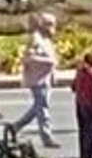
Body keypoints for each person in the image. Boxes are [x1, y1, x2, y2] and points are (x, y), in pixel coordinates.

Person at [8, 12, 59, 148]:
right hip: (38, 79)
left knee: (38, 108)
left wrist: (53, 73)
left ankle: (15, 127)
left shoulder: (46, 40)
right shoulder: (36, 40)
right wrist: (48, 62)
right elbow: (28, 59)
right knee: (42, 109)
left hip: (46, 78)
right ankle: (47, 137)